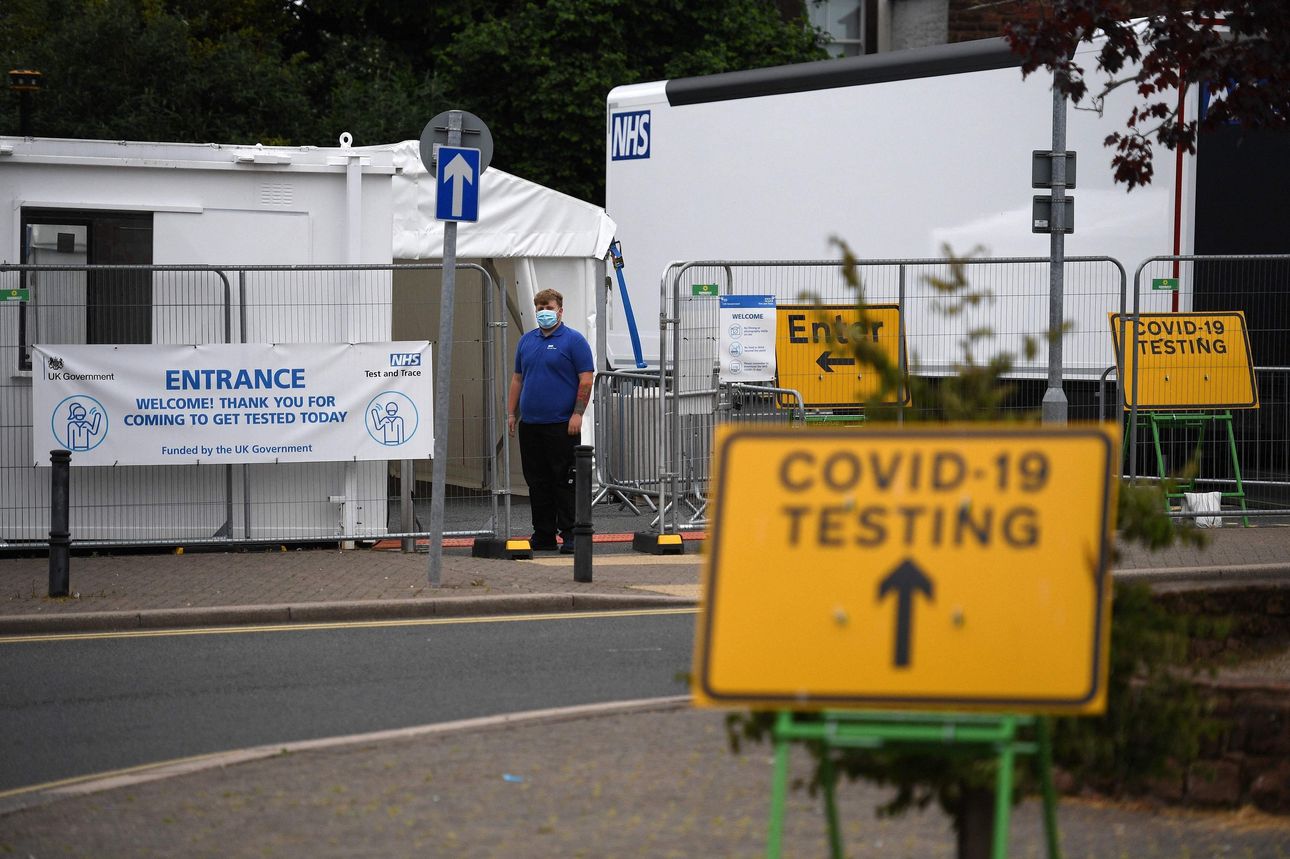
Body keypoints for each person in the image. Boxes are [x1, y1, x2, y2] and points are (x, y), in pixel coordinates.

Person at [508, 288, 594, 554]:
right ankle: (543, 533)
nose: (543, 311)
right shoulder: (526, 341)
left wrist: (577, 413)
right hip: (531, 424)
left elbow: (586, 378)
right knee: (537, 481)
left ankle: (569, 533)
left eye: (548, 306)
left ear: (560, 310)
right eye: (539, 307)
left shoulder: (573, 341)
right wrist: (511, 413)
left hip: (561, 424)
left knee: (565, 480)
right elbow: (517, 379)